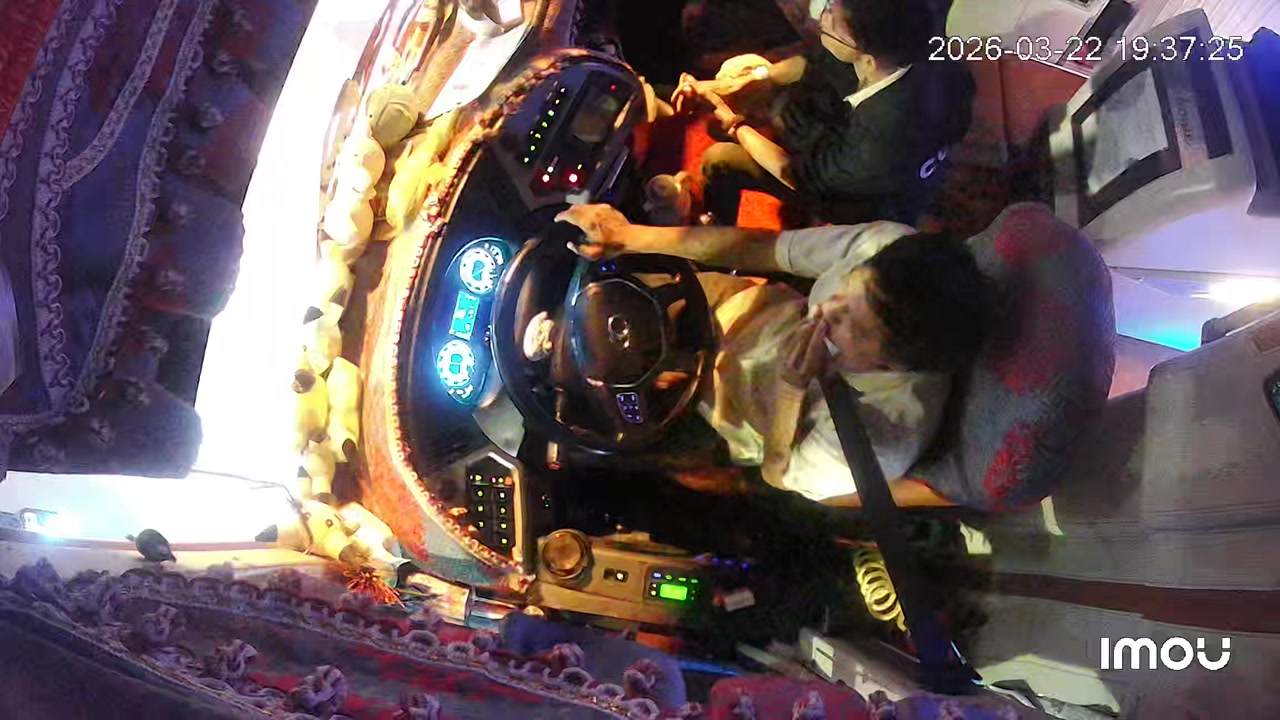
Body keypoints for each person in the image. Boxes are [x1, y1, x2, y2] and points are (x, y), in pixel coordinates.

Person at [554, 204, 991, 509]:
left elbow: (777, 475)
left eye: (852, 326)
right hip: (741, 309)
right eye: (846, 288)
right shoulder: (885, 247)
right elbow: (768, 248)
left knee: (591, 425)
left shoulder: (882, 439)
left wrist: (789, 390)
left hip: (730, 417)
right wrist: (633, 237)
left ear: (891, 366)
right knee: (605, 300)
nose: (826, 308)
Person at [672, 0, 975, 227]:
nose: (822, 16)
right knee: (789, 101)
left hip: (860, 204)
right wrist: (759, 76)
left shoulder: (880, 137)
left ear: (867, 59)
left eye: (831, 18)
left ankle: (718, 241)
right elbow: (816, 62)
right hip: (874, 157)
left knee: (720, 160)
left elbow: (793, 173)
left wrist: (734, 123)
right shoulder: (909, 48)